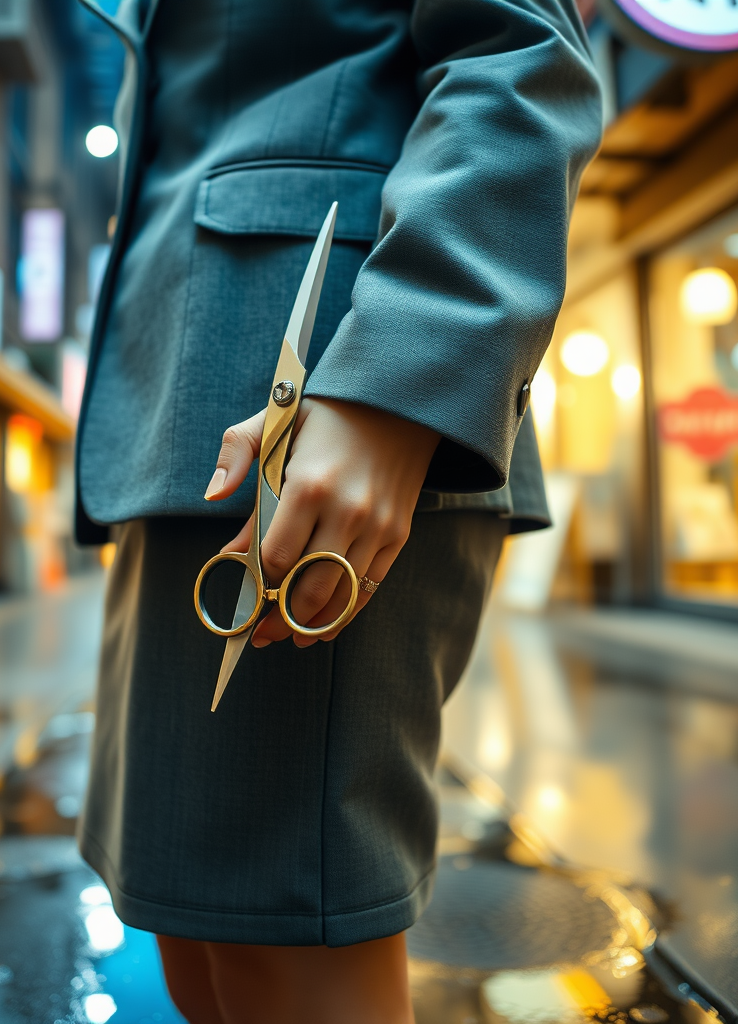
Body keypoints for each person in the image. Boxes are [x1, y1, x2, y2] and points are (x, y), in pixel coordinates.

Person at [75, 0, 602, 1019]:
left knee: (287, 940)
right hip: (180, 415)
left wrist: (394, 382)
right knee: (200, 932)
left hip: (329, 400)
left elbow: (521, 56)